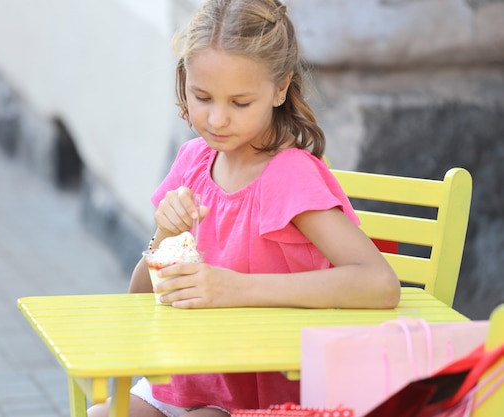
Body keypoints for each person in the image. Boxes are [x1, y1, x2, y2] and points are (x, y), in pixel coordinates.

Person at [88, 0, 400, 415]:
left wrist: (237, 289)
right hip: (188, 378)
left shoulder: (288, 176)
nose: (217, 119)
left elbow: (379, 283)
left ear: (280, 88)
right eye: (202, 97)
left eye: (239, 103)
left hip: (262, 392)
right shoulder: (192, 162)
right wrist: (163, 236)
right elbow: (142, 299)